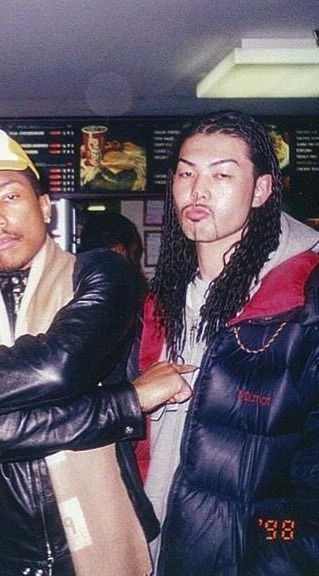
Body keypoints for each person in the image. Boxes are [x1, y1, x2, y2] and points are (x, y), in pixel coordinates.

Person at [0, 129, 191, 576]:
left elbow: (58, 368)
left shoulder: (102, 274)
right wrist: (127, 402)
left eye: (9, 197)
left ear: (44, 206)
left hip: (100, 534)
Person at [134, 110, 319, 574]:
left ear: (260, 190)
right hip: (151, 548)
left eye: (222, 174)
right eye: (185, 173)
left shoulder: (301, 304)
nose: (198, 191)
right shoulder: (162, 303)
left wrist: (268, 553)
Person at [79, 209, 148, 304]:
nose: (135, 262)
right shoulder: (122, 289)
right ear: (119, 249)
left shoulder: (72, 275)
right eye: (133, 253)